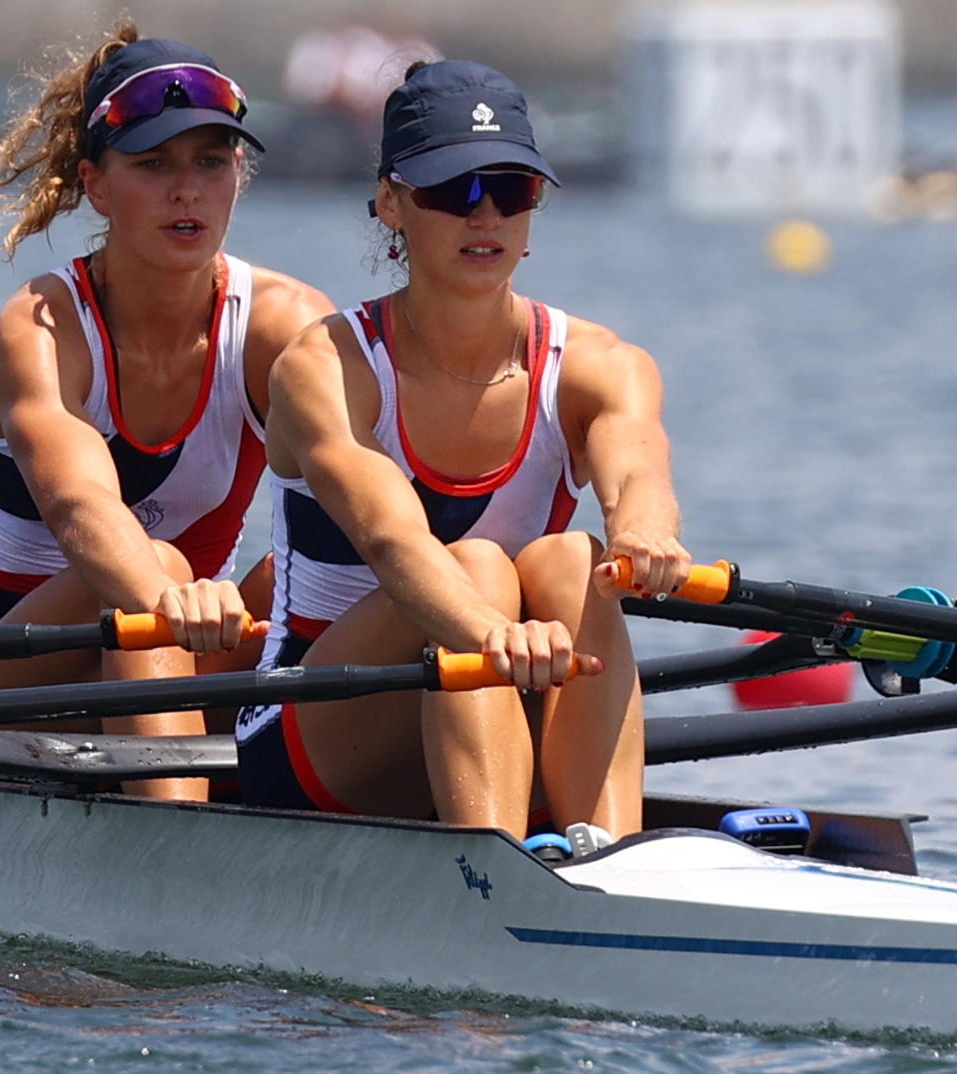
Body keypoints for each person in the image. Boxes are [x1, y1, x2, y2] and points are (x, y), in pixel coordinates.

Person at [236, 60, 691, 843]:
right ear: (391, 203)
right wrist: (490, 635)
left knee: (576, 562)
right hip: (311, 738)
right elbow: (391, 538)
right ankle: (495, 880)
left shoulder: (601, 364)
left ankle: (610, 858)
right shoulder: (326, 366)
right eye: (453, 191)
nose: (485, 217)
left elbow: (638, 469)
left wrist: (645, 537)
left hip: (497, 698)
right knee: (476, 566)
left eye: (510, 191)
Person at [0, 23, 333, 802]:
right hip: (6, 680)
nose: (187, 191)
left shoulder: (284, 323)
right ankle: (176, 851)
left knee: (321, 570)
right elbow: (82, 507)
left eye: (211, 162)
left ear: (237, 174)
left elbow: (372, 486)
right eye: (153, 165)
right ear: (98, 185)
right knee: (165, 562)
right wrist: (166, 595)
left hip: (175, 657)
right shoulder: (42, 326)